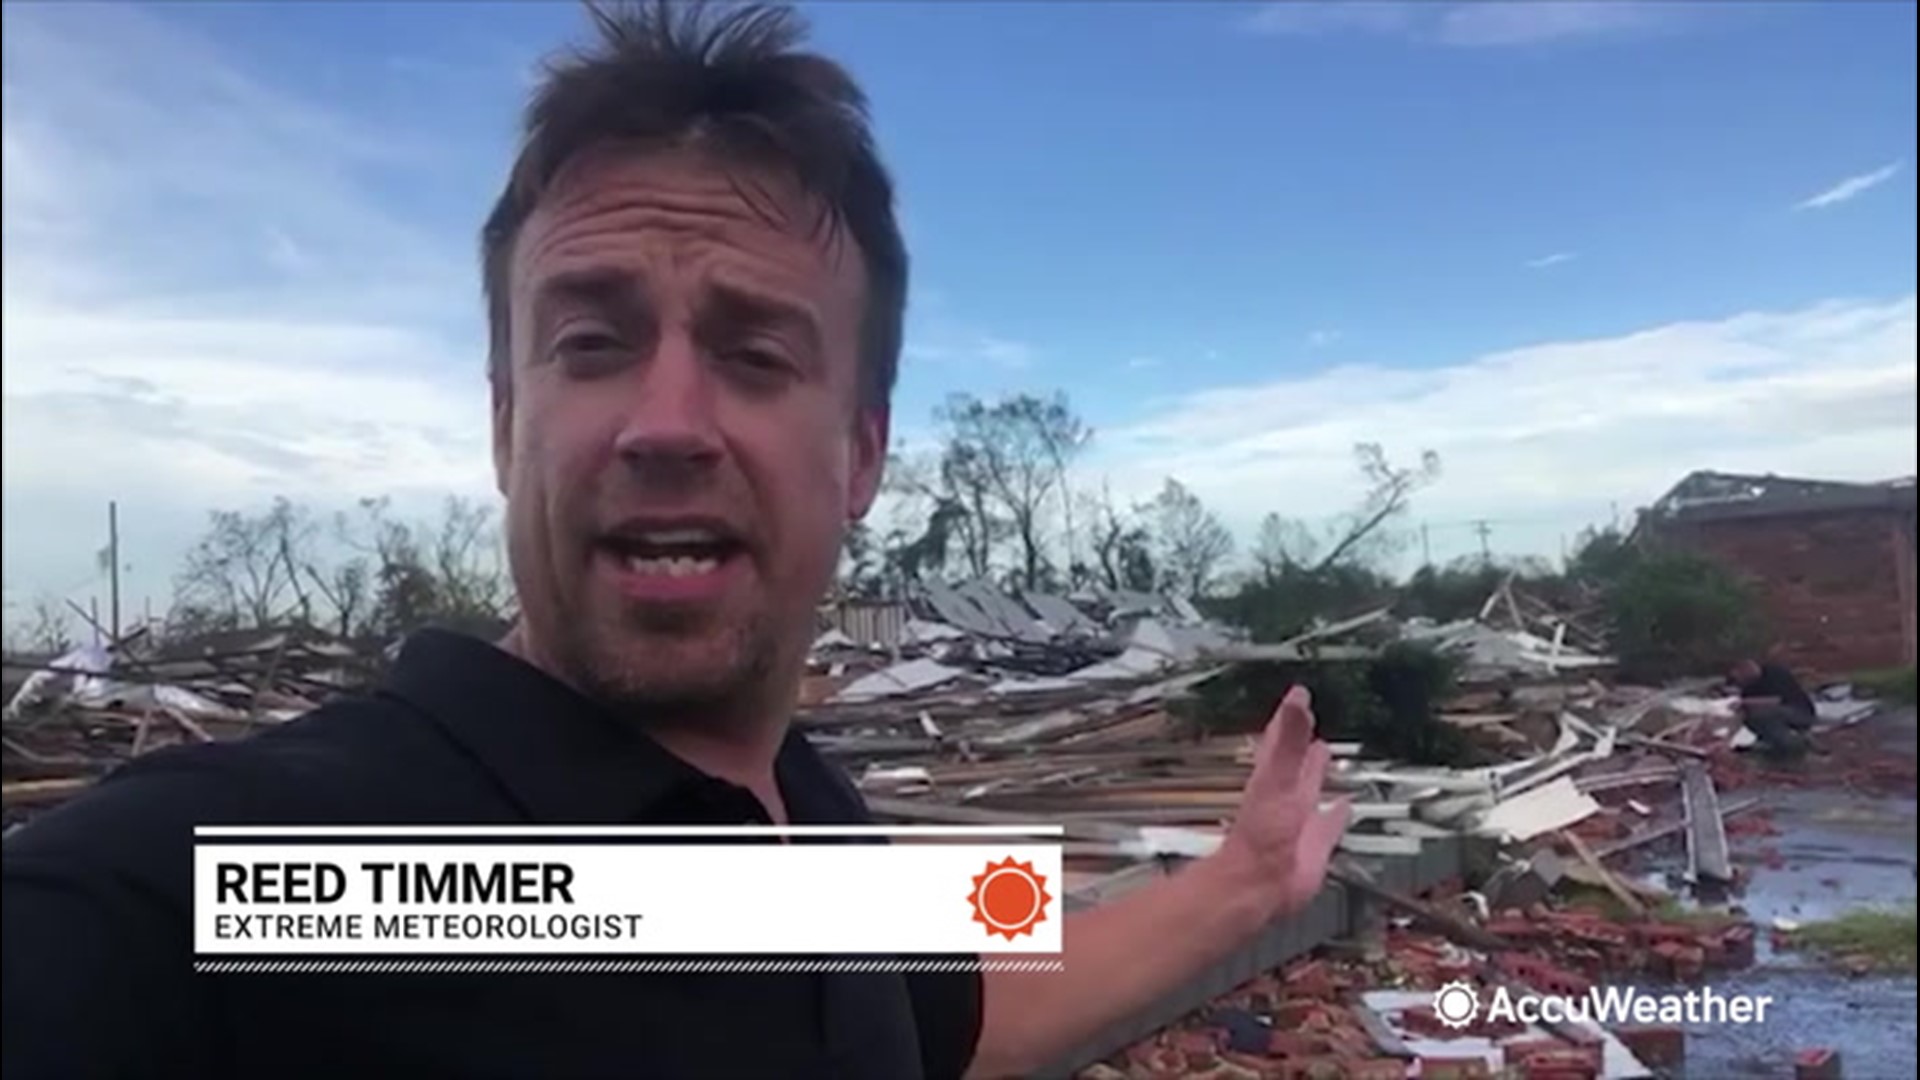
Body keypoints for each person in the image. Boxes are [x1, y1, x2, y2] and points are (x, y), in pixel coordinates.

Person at [0, 4, 1350, 1079]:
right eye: (592, 344)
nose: (664, 422)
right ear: (505, 422)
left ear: (862, 455)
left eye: (754, 353)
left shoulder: (803, 823)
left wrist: (1242, 880)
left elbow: (951, 1016)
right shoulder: (267, 880)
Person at [1729, 655, 1820, 759]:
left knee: (1767, 714)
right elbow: (1744, 712)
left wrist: (1744, 702)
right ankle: (1773, 742)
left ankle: (1794, 743)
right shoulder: (1748, 687)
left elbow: (1777, 700)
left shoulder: (1775, 673)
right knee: (1752, 717)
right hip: (1778, 716)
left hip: (1800, 712)